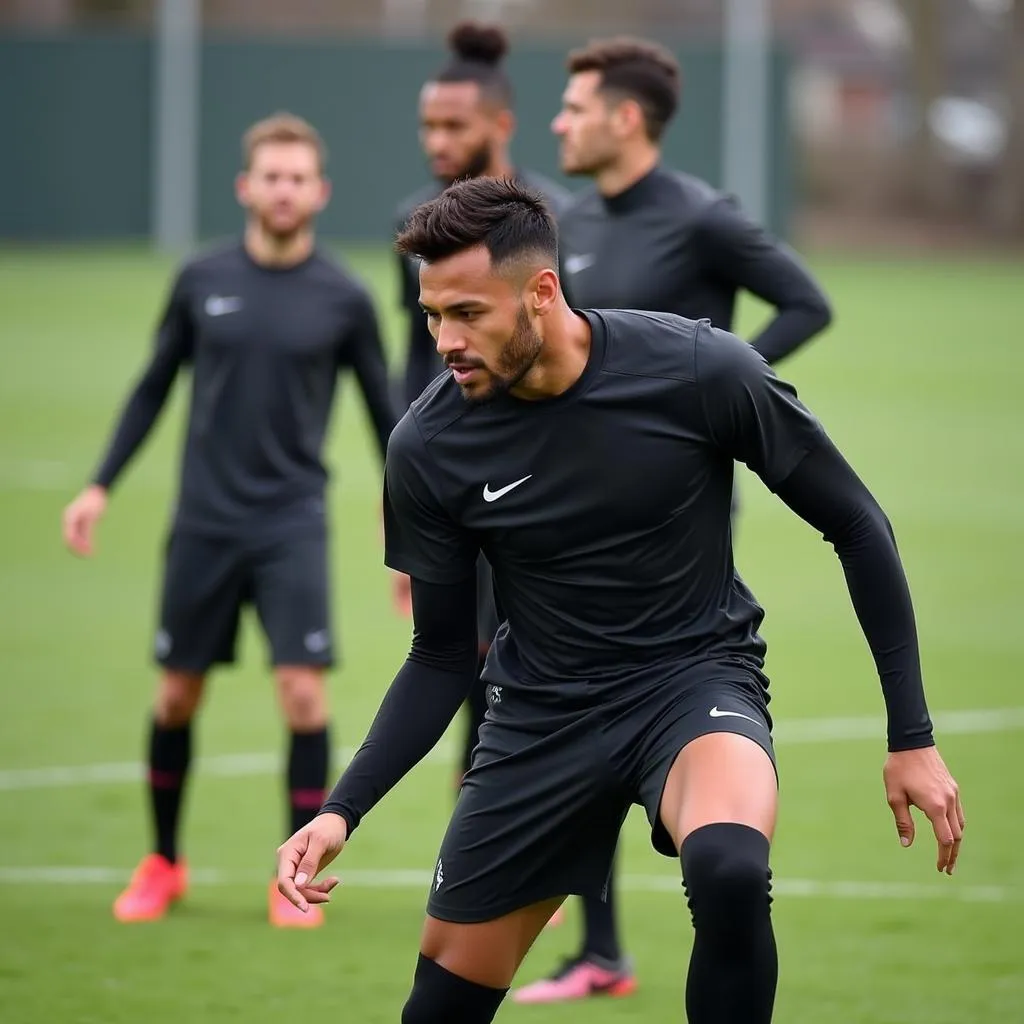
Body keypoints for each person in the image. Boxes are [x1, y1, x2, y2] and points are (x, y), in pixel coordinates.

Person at [275, 178, 963, 1024]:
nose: (445, 341)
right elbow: (442, 655)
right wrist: (340, 810)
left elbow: (856, 523)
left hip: (693, 685)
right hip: (540, 719)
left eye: (467, 313)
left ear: (542, 290)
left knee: (731, 872)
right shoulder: (429, 444)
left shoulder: (699, 369)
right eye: (430, 316)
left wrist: (912, 738)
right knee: (439, 1011)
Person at [513, 35, 836, 1001]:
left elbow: (804, 303)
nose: (559, 123)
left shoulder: (700, 218)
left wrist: (719, 404)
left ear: (626, 116)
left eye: (574, 107)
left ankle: (615, 940)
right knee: (554, 699)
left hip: (668, 526)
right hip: (550, 518)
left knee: (641, 691)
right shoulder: (567, 221)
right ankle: (599, 949)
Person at [61, 113, 398, 929]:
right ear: (246, 187)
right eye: (270, 176)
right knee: (177, 696)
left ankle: (296, 880)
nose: (283, 190)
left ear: (319, 191)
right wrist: (99, 483)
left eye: (297, 177)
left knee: (303, 699)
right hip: (205, 522)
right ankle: (163, 862)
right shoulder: (199, 277)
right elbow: (152, 385)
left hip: (292, 523)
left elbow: (390, 422)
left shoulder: (345, 297)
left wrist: (415, 540)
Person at [393, 20, 571, 793]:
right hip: (455, 477)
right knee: (451, 658)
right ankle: (477, 850)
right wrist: (397, 496)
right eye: (428, 124)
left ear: (500, 124)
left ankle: (533, 847)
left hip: (540, 483)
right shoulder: (421, 227)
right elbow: (412, 366)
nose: (437, 139)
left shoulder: (550, 220)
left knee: (526, 662)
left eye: (453, 124)